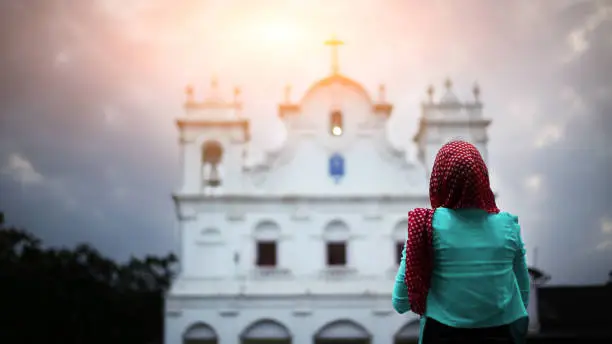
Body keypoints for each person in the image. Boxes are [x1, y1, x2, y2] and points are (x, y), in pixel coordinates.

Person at [392, 140, 530, 344]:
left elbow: (401, 301)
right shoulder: (508, 225)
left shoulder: (425, 225)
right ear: (482, 178)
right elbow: (523, 295)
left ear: (439, 179)